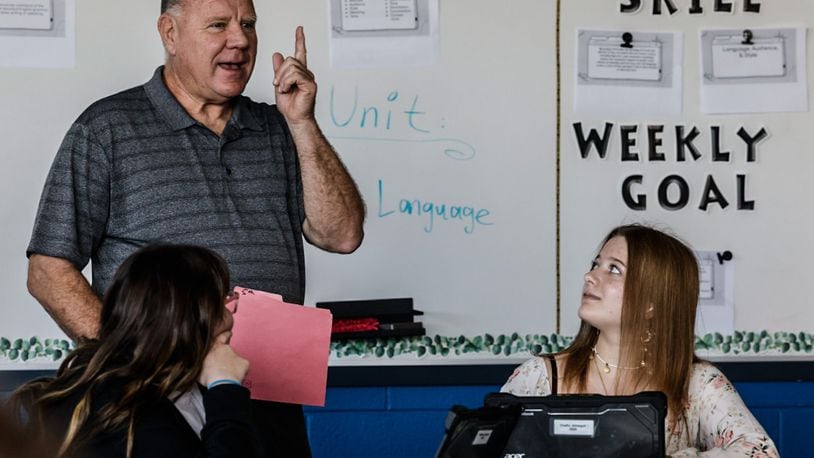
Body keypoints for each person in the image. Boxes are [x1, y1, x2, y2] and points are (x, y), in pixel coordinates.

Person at [26, 0, 365, 455]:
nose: (241, 40)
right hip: (156, 406)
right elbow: (48, 270)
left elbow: (341, 235)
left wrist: (301, 122)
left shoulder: (277, 126)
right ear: (169, 33)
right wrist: (130, 364)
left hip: (268, 400)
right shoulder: (106, 128)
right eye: (219, 25)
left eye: (248, 25)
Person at [501, 224, 779, 456]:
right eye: (596, 264)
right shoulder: (539, 377)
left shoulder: (697, 382)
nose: (590, 276)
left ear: (651, 303)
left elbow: (761, 451)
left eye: (613, 270)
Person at [8, 244, 255, 458]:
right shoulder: (127, 412)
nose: (232, 312)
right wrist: (225, 387)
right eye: (224, 300)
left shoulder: (176, 385)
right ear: (192, 318)